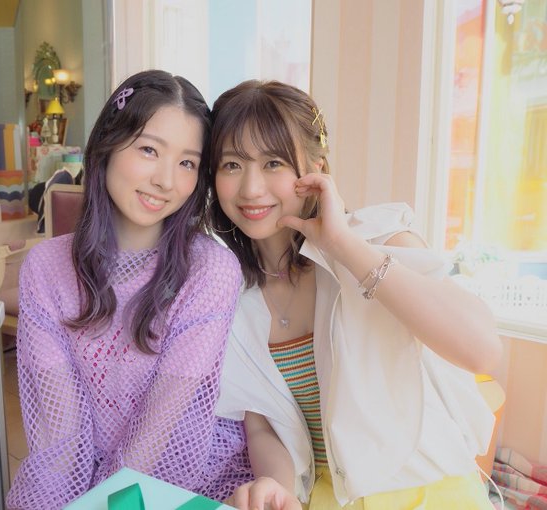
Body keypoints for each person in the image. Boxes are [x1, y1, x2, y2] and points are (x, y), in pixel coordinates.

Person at [209, 80, 503, 509]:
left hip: (428, 491)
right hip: (326, 498)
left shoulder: (378, 238)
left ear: (315, 168)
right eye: (232, 164)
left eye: (273, 162)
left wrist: (343, 246)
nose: (251, 188)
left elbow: (482, 350)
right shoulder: (230, 290)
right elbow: (264, 422)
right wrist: (278, 488)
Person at [6, 70, 253, 510]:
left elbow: (158, 432)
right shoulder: (44, 269)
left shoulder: (210, 271)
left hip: (185, 475)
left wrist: (101, 502)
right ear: (108, 144)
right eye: (149, 150)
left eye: (187, 163)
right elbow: (60, 437)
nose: (166, 181)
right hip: (85, 471)